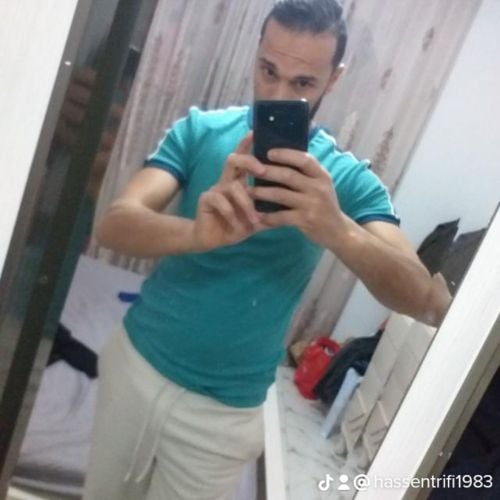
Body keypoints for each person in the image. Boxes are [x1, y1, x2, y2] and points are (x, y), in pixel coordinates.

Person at [83, 1, 452, 499]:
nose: (277, 94)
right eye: (268, 71)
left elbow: (422, 300)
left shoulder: (346, 179)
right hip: (135, 364)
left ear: (334, 79)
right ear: (256, 53)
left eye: (303, 83)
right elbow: (114, 224)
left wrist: (335, 227)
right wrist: (195, 235)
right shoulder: (200, 130)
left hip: (223, 413)